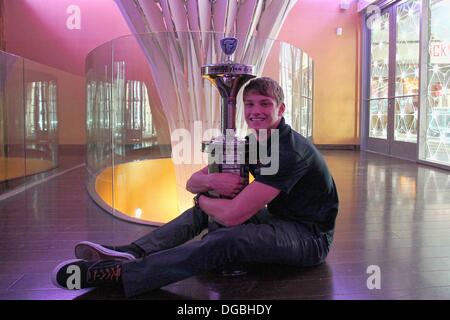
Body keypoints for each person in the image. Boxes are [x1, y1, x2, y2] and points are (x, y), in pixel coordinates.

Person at [52, 77, 339, 297]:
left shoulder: (289, 151)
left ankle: (120, 273)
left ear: (281, 108)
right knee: (211, 202)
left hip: (309, 238)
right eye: (250, 104)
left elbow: (232, 216)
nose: (255, 111)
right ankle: (133, 251)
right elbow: (193, 182)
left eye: (265, 103)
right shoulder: (253, 142)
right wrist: (212, 181)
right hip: (278, 220)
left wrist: (204, 201)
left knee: (230, 236)